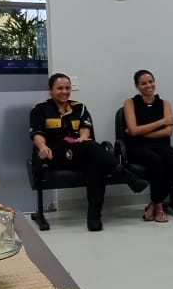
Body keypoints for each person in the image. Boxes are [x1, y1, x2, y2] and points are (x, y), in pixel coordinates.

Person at [30, 73, 117, 232]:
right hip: (55, 154)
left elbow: (86, 129)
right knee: (92, 150)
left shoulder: (79, 107)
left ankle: (94, 217)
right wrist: (42, 147)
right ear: (50, 90)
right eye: (59, 88)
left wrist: (82, 138)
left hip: (79, 152)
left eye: (67, 88)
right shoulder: (40, 109)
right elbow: (37, 134)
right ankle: (118, 167)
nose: (64, 91)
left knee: (94, 165)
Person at [122, 69, 173, 223]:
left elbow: (167, 132)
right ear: (137, 86)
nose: (148, 85)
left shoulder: (165, 104)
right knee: (156, 161)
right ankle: (159, 206)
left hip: (160, 145)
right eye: (143, 83)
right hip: (136, 147)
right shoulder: (130, 103)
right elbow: (133, 130)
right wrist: (162, 122)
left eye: (150, 82)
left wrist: (140, 132)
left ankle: (154, 202)